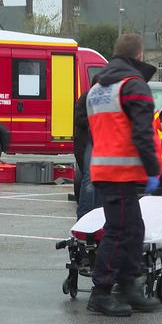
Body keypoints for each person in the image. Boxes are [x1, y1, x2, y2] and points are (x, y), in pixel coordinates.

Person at [85, 33, 161, 317]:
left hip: (106, 168)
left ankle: (128, 286)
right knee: (119, 232)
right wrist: (153, 170)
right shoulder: (134, 86)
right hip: (122, 170)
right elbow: (143, 132)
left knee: (132, 228)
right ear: (139, 56)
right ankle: (102, 293)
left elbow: (90, 128)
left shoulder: (97, 88)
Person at [74, 75, 103, 219]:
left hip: (96, 146)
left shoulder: (100, 100)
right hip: (85, 145)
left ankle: (94, 215)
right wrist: (97, 119)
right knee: (88, 181)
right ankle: (83, 216)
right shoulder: (86, 98)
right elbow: (78, 119)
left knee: (95, 183)